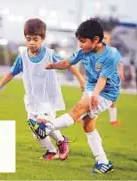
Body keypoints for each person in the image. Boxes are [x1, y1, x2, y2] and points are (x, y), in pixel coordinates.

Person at [30, 18, 121, 173]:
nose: (80, 45)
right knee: (88, 125)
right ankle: (103, 162)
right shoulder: (84, 51)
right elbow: (68, 62)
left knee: (79, 108)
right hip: (92, 88)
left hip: (106, 92)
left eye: (83, 41)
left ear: (96, 40)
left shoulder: (111, 55)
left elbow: (103, 79)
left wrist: (94, 96)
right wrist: (53, 66)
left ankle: (46, 127)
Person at [0, 18, 85, 160]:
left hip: (48, 98)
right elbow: (11, 73)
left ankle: (61, 142)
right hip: (32, 99)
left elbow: (68, 64)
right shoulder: (23, 56)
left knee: (42, 123)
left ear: (42, 38)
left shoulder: (49, 54)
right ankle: (51, 150)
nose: (31, 43)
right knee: (35, 130)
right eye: (28, 39)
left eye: (35, 39)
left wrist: (80, 80)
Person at [103, 31, 124, 126]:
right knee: (90, 97)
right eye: (102, 38)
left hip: (110, 78)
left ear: (110, 40)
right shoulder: (97, 50)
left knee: (111, 100)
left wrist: (121, 72)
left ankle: (113, 120)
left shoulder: (113, 50)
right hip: (97, 78)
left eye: (106, 38)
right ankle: (80, 117)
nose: (104, 40)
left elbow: (119, 62)